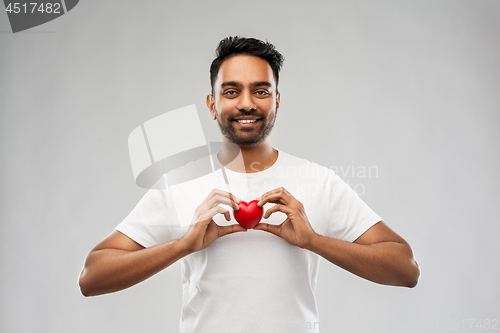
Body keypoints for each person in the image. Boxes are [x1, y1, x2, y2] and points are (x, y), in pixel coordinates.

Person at [79, 36, 420, 332]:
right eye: (231, 91)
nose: (246, 103)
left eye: (260, 91)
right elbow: (92, 277)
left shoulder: (316, 180)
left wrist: (313, 240)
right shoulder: (178, 184)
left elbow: (405, 268)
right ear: (212, 105)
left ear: (276, 101)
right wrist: (183, 245)